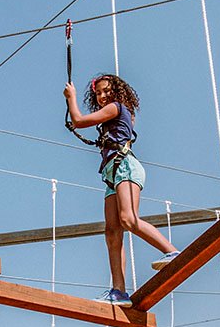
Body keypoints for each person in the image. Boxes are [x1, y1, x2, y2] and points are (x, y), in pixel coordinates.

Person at [64, 74, 178, 307]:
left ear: (117, 92)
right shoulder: (112, 115)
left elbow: (78, 120)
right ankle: (118, 290)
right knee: (112, 232)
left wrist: (71, 98)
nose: (103, 96)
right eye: (98, 93)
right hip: (112, 174)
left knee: (128, 218)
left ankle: (172, 252)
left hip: (124, 167)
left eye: (107, 91)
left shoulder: (117, 108)